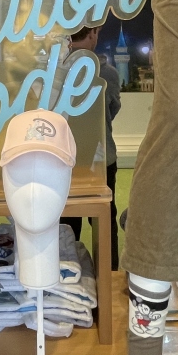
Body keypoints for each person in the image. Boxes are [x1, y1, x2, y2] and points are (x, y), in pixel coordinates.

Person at [61, 26, 122, 269]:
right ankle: (109, 275)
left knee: (66, 222)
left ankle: (68, 276)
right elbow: (112, 109)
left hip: (65, 158)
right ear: (93, 33)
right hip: (101, 157)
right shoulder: (107, 73)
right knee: (105, 222)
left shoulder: (55, 70)